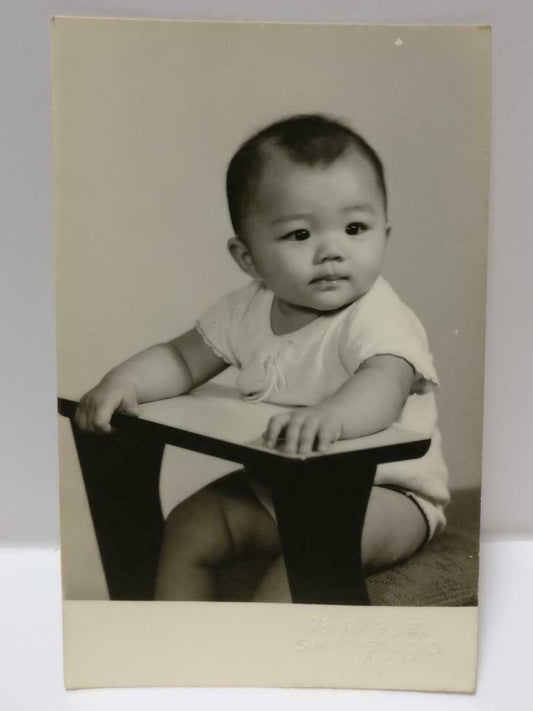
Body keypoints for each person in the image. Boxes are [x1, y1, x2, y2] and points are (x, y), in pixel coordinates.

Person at [75, 114, 449, 602]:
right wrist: (123, 382)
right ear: (248, 258)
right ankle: (177, 651)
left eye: (355, 227)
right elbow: (182, 360)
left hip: (386, 498)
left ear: (385, 233)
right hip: (281, 490)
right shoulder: (244, 310)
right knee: (190, 527)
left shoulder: (376, 314)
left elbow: (386, 381)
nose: (331, 250)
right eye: (299, 235)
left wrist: (332, 417)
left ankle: (260, 657)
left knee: (312, 553)